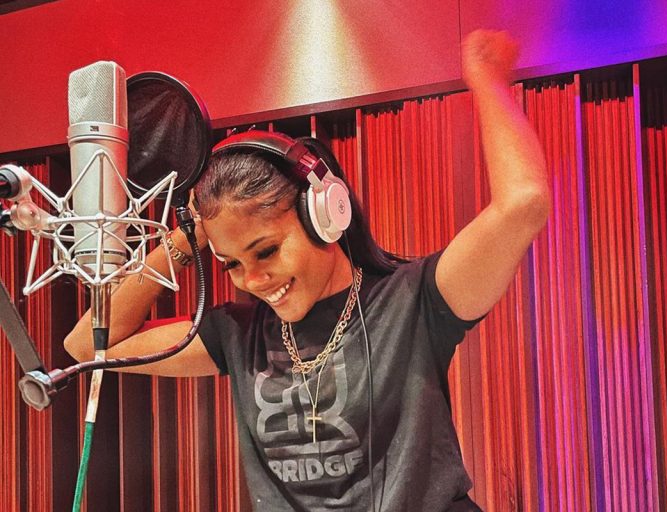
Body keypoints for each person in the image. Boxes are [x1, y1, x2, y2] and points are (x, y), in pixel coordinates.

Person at [64, 29, 550, 511]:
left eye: (266, 251)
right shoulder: (237, 335)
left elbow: (523, 203)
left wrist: (487, 79)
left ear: (324, 214)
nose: (253, 280)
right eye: (232, 263)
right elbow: (88, 345)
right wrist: (186, 238)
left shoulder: (413, 302)